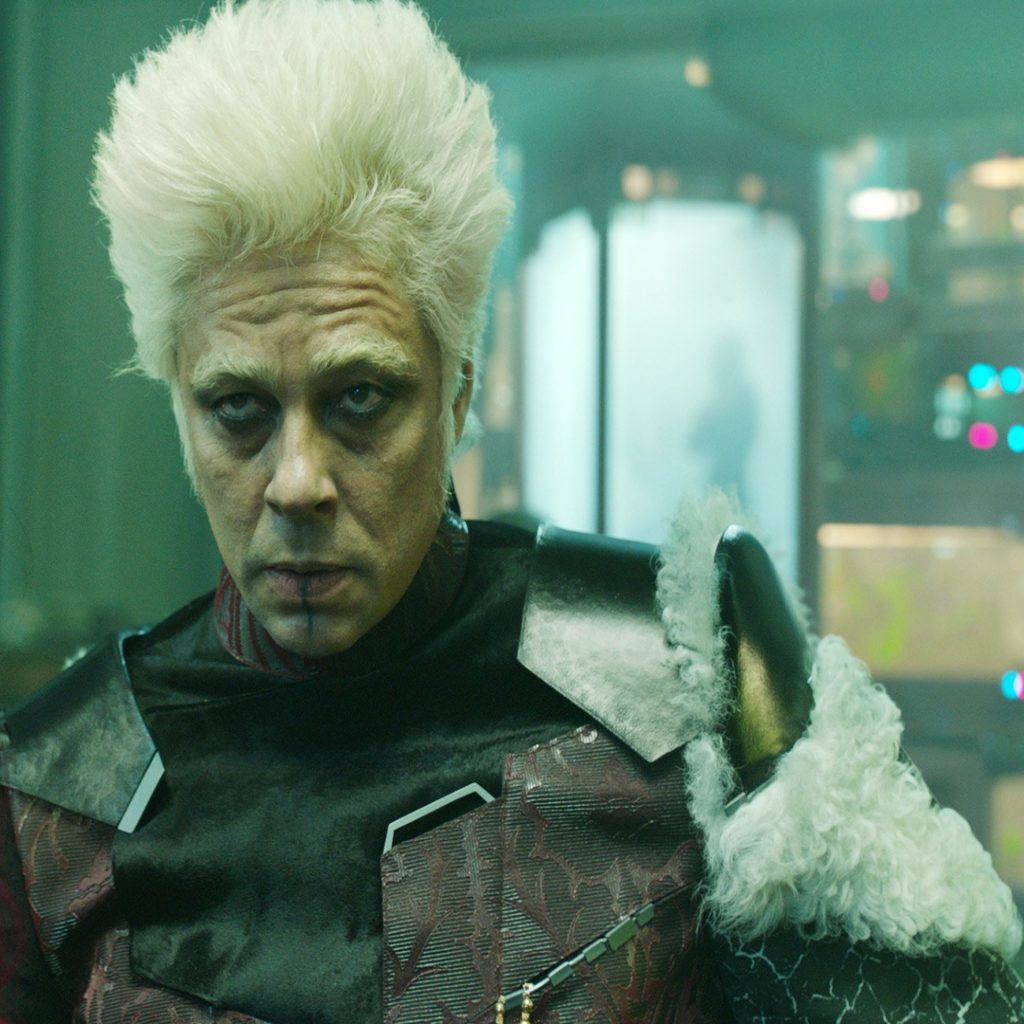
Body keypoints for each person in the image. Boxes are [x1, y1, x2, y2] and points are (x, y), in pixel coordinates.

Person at [1, 1, 1022, 1021]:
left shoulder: (685, 676)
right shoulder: (60, 792)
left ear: (457, 391)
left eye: (362, 398)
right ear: (179, 410)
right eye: (238, 410)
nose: (298, 481)